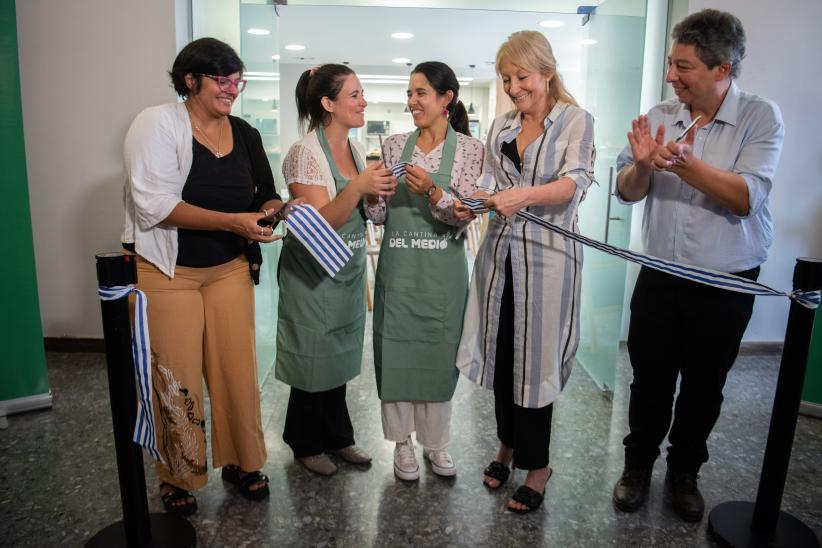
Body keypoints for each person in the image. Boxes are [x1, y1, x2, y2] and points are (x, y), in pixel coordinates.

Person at [611, 9, 784, 522]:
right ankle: (637, 466)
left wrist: (685, 162)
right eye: (670, 63)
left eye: (683, 66)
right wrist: (643, 164)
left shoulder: (761, 117)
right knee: (650, 380)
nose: (671, 76)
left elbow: (746, 197)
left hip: (725, 281)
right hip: (661, 274)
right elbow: (626, 192)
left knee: (705, 384)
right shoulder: (662, 112)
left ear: (722, 70)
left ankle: (685, 472)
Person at [122, 37, 287, 515]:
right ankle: (179, 474)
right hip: (165, 271)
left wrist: (274, 212)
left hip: (228, 269)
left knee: (237, 369)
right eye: (222, 79)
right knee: (175, 376)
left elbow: (265, 193)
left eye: (237, 80)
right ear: (191, 80)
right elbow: (154, 206)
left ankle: (243, 461)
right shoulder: (157, 123)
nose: (232, 88)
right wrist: (233, 221)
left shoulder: (246, 133)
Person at [455, 31, 595, 514]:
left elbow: (575, 183)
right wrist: (466, 204)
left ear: (547, 72)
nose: (514, 87)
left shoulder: (575, 121)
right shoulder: (501, 127)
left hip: (549, 261)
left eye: (522, 77)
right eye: (507, 79)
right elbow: (490, 184)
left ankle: (538, 467)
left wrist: (523, 196)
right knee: (503, 353)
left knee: (535, 364)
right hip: (500, 257)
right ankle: (507, 446)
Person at [276, 64, 397, 476]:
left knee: (340, 353)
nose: (363, 101)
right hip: (313, 273)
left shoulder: (357, 150)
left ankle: (338, 436)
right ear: (328, 104)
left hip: (346, 269)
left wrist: (378, 195)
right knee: (313, 354)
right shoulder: (304, 153)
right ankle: (305, 441)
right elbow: (319, 223)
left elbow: (365, 212)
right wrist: (359, 187)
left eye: (362, 93)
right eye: (354, 95)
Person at [365, 61, 483, 481]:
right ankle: (401, 445)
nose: (412, 101)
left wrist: (432, 190)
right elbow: (378, 216)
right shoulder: (395, 145)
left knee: (438, 356)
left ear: (445, 98)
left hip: (443, 275)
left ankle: (436, 444)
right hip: (400, 272)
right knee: (396, 354)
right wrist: (373, 192)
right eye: (410, 93)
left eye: (421, 93)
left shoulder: (471, 150)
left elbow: (464, 216)